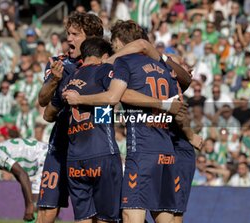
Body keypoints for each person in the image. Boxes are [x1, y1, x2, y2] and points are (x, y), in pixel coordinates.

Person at [63, 20, 189, 223]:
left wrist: (81, 98)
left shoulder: (123, 63)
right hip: (167, 150)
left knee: (131, 215)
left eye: (113, 44)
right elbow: (181, 99)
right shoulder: (162, 67)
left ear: (120, 43)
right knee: (166, 217)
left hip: (142, 150)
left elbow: (115, 96)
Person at [45, 37, 122, 222]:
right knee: (106, 218)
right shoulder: (105, 69)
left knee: (83, 218)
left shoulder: (69, 79)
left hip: (74, 159)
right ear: (104, 56)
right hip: (101, 151)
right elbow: (111, 99)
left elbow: (48, 114)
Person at [36, 12, 104, 223]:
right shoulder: (58, 63)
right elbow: (43, 101)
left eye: (75, 34)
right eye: (68, 34)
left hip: (93, 146)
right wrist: (54, 81)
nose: (69, 39)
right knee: (47, 209)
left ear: (91, 37)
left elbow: (109, 106)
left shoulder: (104, 65)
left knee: (94, 212)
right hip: (61, 146)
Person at [0, 138, 48, 222]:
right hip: (45, 154)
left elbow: (23, 174)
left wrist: (29, 206)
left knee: (36, 203)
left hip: (44, 156)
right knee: (39, 204)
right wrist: (27, 204)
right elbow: (21, 179)